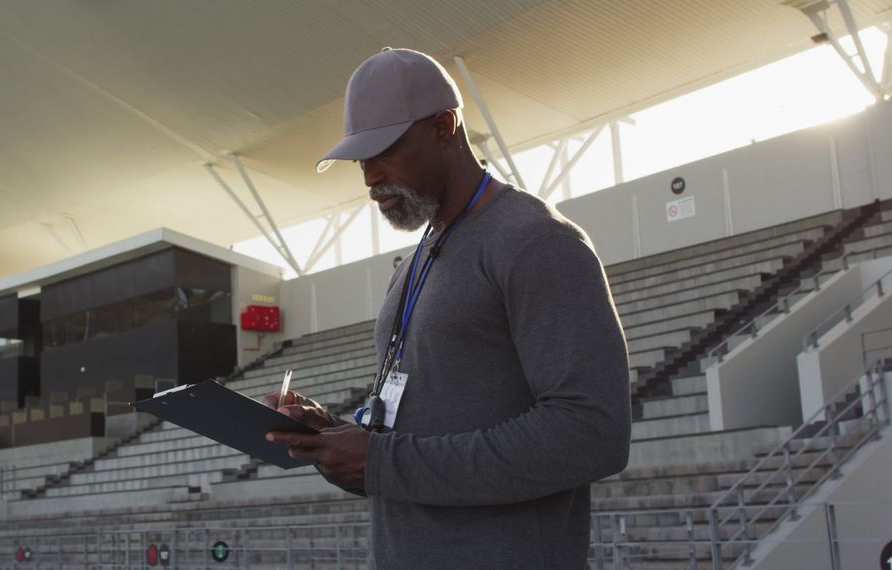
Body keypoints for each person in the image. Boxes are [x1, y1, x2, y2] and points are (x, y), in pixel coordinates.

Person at [265, 47, 631, 568]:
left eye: (383, 152)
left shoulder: (538, 242)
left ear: (442, 127)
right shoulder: (414, 263)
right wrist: (335, 437)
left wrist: (383, 460)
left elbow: (592, 434)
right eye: (360, 161)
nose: (369, 178)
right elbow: (411, 442)